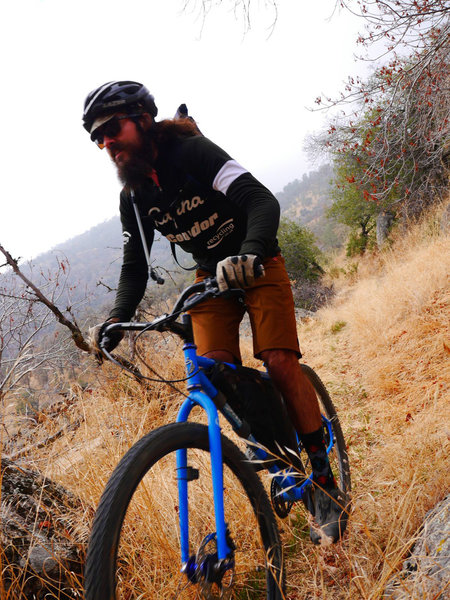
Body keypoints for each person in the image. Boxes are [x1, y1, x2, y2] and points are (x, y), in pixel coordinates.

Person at [83, 80, 348, 544]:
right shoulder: (134, 196)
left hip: (256, 257)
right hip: (210, 278)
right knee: (215, 373)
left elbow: (260, 199)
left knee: (279, 360)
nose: (107, 143)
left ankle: (323, 476)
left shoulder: (193, 154)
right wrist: (116, 317)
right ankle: (280, 452)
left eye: (112, 129)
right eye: (98, 137)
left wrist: (248, 252)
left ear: (143, 120)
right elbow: (134, 266)